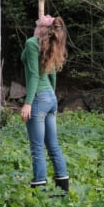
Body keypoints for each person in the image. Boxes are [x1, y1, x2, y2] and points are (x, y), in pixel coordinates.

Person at [20, 15, 69, 194]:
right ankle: (62, 189)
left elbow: (33, 76)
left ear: (42, 27)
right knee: (53, 145)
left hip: (39, 98)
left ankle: (39, 189)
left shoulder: (33, 43)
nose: (47, 14)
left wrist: (28, 103)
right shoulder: (46, 44)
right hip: (50, 97)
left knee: (37, 147)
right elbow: (52, 74)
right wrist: (52, 96)